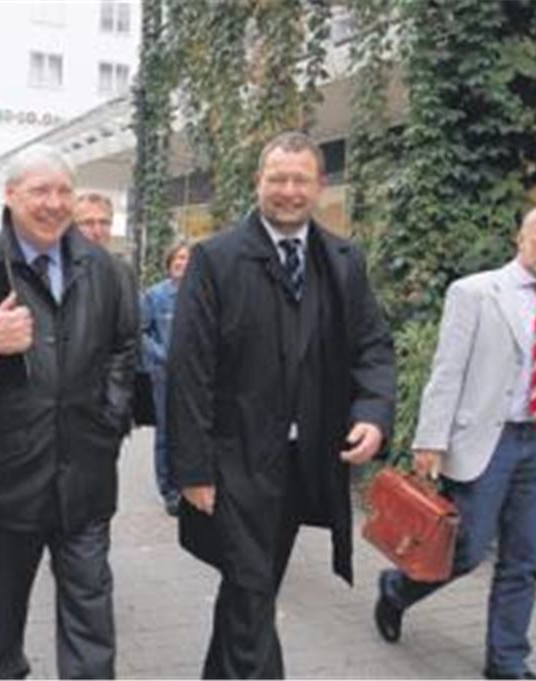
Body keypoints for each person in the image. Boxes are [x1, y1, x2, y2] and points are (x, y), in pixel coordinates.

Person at [167, 130, 396, 678]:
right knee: (250, 588)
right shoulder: (216, 259)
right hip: (234, 459)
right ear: (258, 183)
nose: (288, 191)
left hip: (305, 462)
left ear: (319, 186)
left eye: (300, 179)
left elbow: (373, 346)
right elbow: (188, 370)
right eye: (277, 178)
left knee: (255, 584)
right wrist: (193, 468)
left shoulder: (343, 260)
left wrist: (372, 414)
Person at [0, 144, 138, 679]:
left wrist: (109, 416)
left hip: (84, 476)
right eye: (40, 190)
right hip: (3, 479)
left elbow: (125, 347)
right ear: (10, 197)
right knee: (2, 620)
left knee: (91, 613)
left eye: (64, 191)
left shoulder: (104, 268)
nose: (54, 203)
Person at [374, 203, 536, 680]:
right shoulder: (476, 292)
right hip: (483, 444)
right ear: (521, 237)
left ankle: (507, 661)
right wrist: (430, 440)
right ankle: (396, 589)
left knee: (524, 557)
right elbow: (447, 369)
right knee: (465, 550)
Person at [141, 240, 190, 516]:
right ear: (170, 262)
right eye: (178, 258)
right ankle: (170, 490)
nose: (183, 262)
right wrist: (161, 355)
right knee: (167, 432)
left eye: (187, 257)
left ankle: (189, 484)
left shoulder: (202, 292)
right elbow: (141, 332)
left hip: (196, 376)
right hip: (165, 374)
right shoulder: (154, 295)